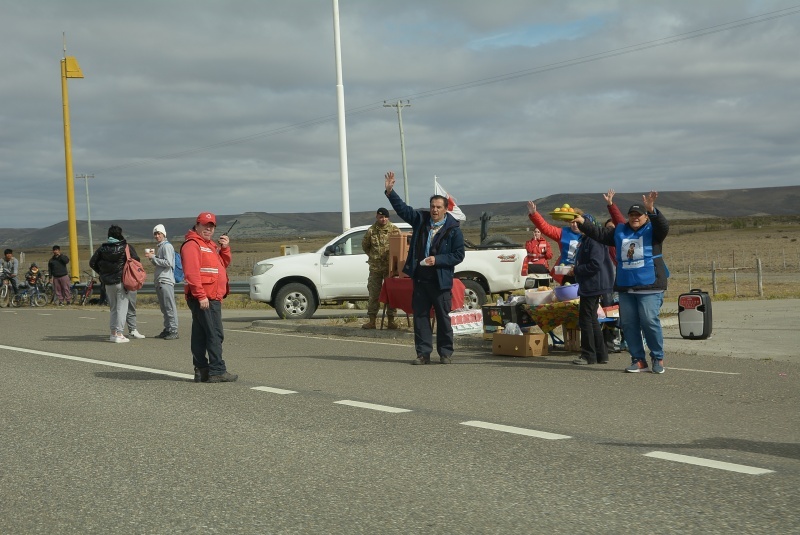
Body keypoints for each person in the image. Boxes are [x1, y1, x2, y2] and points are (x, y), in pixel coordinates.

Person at [575, 191, 669, 374]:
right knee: (629, 324)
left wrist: (652, 210)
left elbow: (663, 225)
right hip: (626, 286)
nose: (635, 218)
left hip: (650, 285)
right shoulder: (620, 231)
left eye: (639, 215)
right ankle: (638, 360)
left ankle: (657, 357)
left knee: (649, 320)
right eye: (632, 215)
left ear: (645, 217)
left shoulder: (653, 231)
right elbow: (599, 233)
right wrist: (583, 223)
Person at [384, 171, 466, 365]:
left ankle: (445, 353)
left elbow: (458, 255)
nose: (434, 210)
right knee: (420, 318)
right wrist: (390, 192)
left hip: (440, 281)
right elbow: (403, 210)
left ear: (446, 209)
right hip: (420, 279)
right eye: (432, 207)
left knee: (443, 318)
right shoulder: (421, 220)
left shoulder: (453, 230)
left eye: (438, 207)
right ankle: (423, 354)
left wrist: (437, 260)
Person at [183, 212, 237, 383]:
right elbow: (192, 273)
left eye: (211, 226)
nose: (208, 229)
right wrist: (201, 296)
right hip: (205, 297)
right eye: (205, 225)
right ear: (197, 225)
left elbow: (222, 264)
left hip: (210, 296)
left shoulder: (210, 245)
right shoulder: (192, 245)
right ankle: (217, 370)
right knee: (215, 334)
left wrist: (225, 248)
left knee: (201, 334)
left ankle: (202, 371)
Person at [570, 214, 616, 366]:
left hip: (594, 284)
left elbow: (595, 264)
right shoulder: (586, 239)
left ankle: (588, 355)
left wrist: (576, 270)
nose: (576, 225)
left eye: (580, 223)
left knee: (585, 319)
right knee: (592, 319)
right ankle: (601, 354)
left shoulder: (593, 240)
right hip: (592, 284)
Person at [89, 225, 142, 343]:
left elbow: (92, 262)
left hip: (108, 283)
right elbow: (136, 260)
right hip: (121, 282)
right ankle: (119, 334)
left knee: (113, 308)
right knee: (122, 309)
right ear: (120, 234)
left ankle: (113, 333)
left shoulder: (102, 249)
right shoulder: (126, 247)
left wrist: (103, 273)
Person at [361, 207, 399, 330]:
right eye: (381, 217)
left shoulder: (394, 230)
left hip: (390, 268)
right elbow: (365, 246)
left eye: (385, 217)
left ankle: (391, 321)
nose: (383, 219)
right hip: (375, 268)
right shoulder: (371, 231)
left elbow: (400, 246)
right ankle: (372, 321)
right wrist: (374, 256)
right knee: (374, 294)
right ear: (377, 217)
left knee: (391, 294)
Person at [526, 202, 581, 285]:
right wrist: (534, 214)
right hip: (566, 272)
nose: (575, 225)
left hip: (584, 273)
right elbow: (546, 228)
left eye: (578, 222)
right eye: (572, 222)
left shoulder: (589, 233)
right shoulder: (563, 233)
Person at [145, 224, 179, 340]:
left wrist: (154, 257)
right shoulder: (161, 247)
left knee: (169, 306)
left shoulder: (166, 246)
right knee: (164, 307)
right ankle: (168, 328)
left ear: (164, 234)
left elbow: (168, 263)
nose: (157, 236)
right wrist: (152, 258)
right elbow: (160, 263)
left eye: (159, 233)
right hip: (160, 280)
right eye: (155, 234)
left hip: (166, 280)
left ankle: (173, 330)